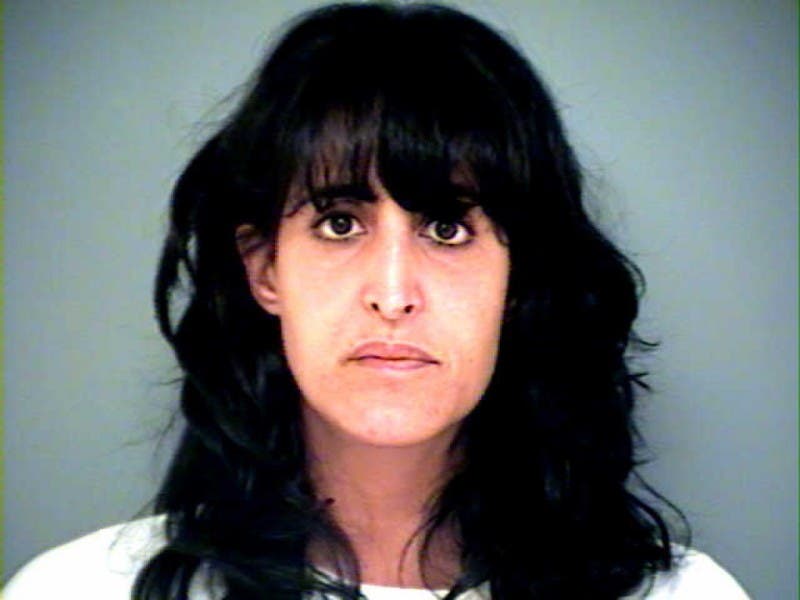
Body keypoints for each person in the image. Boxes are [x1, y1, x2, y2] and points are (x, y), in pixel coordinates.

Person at [4, 2, 750, 599]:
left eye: (448, 228)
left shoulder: (683, 594)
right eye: (339, 223)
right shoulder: (76, 590)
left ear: (518, 279)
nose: (393, 294)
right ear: (265, 270)